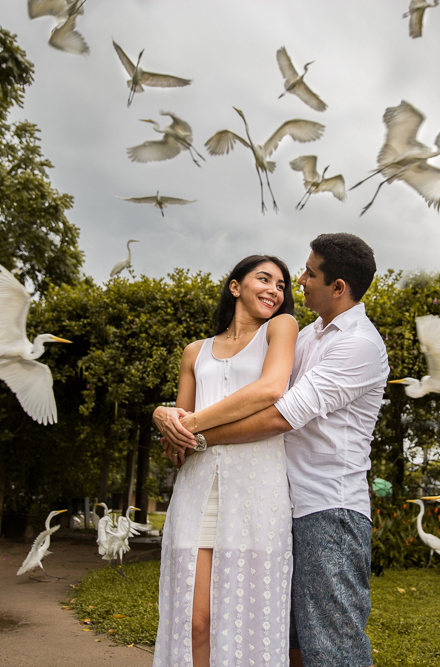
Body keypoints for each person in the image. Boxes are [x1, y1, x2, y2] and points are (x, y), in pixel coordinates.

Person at [161, 233, 389, 667]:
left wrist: (193, 433)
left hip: (329, 508)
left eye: (308, 273)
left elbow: (280, 415)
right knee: (289, 643)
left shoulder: (357, 344)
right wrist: (166, 415)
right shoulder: (306, 336)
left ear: (338, 287)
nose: (298, 281)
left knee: (333, 645)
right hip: (281, 504)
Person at [151, 255, 299, 667]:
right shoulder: (194, 352)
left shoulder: (281, 328)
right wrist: (162, 417)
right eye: (264, 279)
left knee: (243, 618)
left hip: (256, 492)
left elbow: (270, 389)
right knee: (195, 621)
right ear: (235, 286)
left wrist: (190, 425)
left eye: (281, 285)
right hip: (196, 494)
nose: (275, 290)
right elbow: (176, 444)